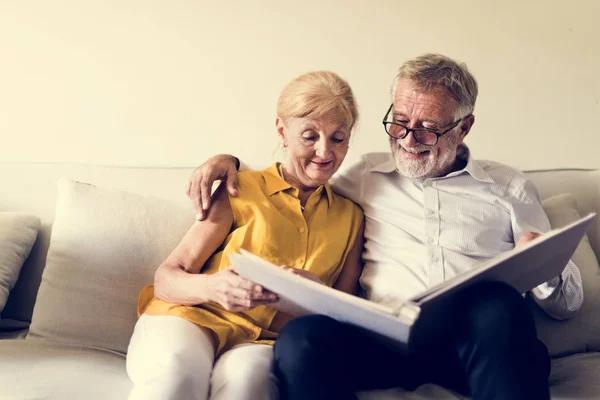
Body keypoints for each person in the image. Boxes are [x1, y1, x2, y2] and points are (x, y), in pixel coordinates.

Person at [186, 54, 584, 400]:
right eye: (400, 122)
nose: (409, 139)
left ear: (464, 127)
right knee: (301, 339)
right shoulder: (363, 175)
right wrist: (230, 161)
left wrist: (542, 268)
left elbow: (567, 306)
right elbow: (296, 174)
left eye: (429, 127)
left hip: (476, 348)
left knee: (496, 304)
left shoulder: (507, 187)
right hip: (381, 343)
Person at [126, 70, 365, 400]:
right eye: (309, 136)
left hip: (262, 340)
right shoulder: (241, 188)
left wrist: (316, 293)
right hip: (191, 317)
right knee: (179, 373)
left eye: (338, 139)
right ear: (282, 131)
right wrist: (213, 286)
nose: (324, 152)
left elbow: (347, 315)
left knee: (248, 385)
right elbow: (167, 278)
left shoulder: (352, 217)